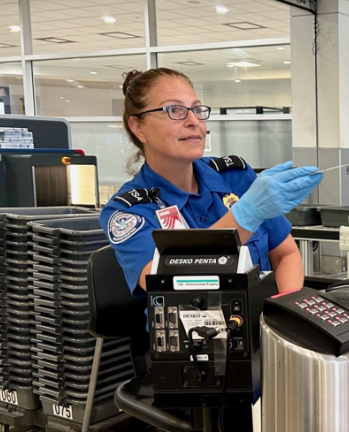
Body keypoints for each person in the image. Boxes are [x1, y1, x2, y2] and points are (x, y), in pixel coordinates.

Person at [100, 68, 322, 298]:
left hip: (262, 321)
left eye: (196, 109)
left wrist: (286, 315)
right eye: (174, 110)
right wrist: (245, 216)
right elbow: (168, 283)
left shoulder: (235, 176)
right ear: (138, 127)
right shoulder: (128, 211)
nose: (193, 121)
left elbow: (285, 254)